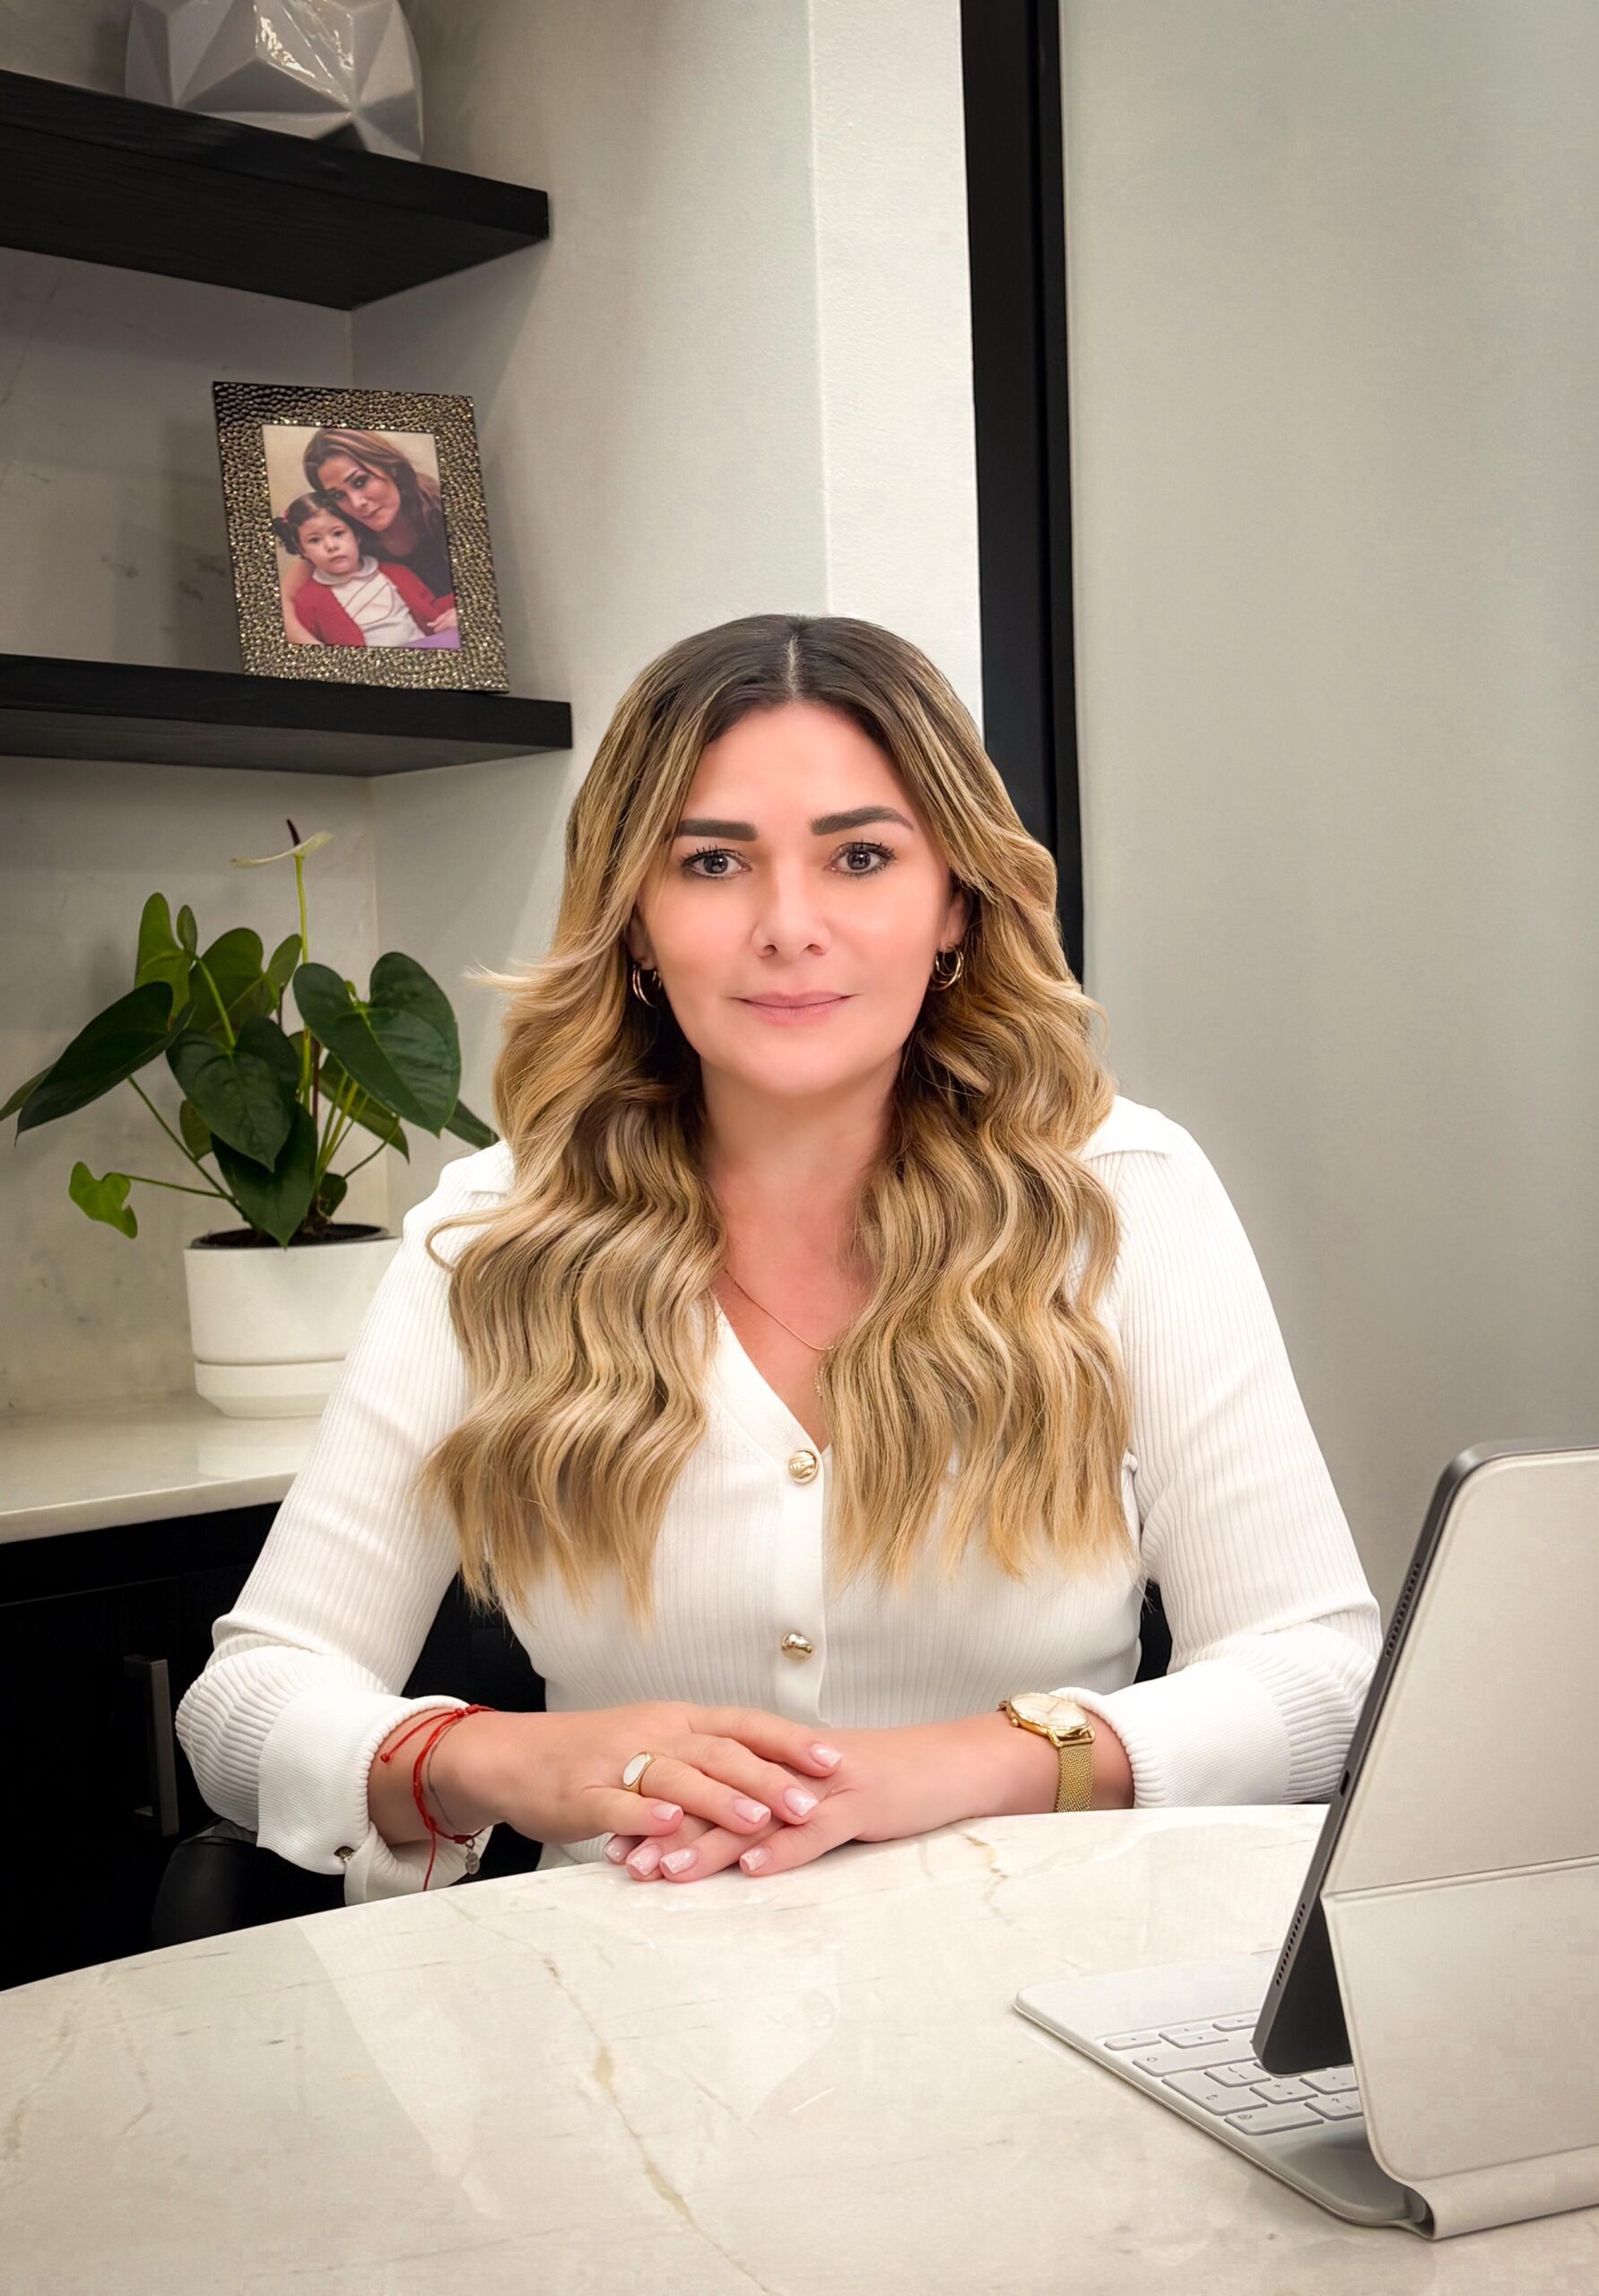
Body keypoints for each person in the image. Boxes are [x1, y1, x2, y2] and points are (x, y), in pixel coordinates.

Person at [176, 613, 1382, 1905]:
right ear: (635, 921)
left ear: (956, 904)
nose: (788, 925)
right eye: (712, 863)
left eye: (861, 856)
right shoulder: (496, 1230)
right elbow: (246, 1706)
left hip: (1037, 1965)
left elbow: (1319, 1677)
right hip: (618, 1990)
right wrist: (507, 1761)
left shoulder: (1123, 1198)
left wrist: (966, 1764)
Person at [270, 491, 458, 648]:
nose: (331, 546)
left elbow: (432, 609)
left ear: (356, 535)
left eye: (338, 533)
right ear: (302, 550)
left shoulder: (397, 572)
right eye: (314, 540)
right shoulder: (308, 600)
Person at [302, 427, 456, 604]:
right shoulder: (343, 532)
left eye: (360, 482)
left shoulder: (439, 504)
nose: (356, 503)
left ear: (391, 468)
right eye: (338, 495)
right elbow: (287, 596)